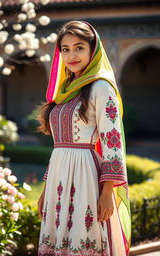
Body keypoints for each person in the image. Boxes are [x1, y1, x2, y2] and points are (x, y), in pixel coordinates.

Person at [36, 20, 131, 256]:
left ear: (93, 49)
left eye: (79, 47)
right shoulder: (66, 89)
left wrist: (108, 192)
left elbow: (113, 143)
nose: (71, 55)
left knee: (83, 240)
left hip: (85, 176)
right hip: (59, 177)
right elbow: (58, 147)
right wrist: (45, 190)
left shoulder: (101, 87)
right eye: (65, 49)